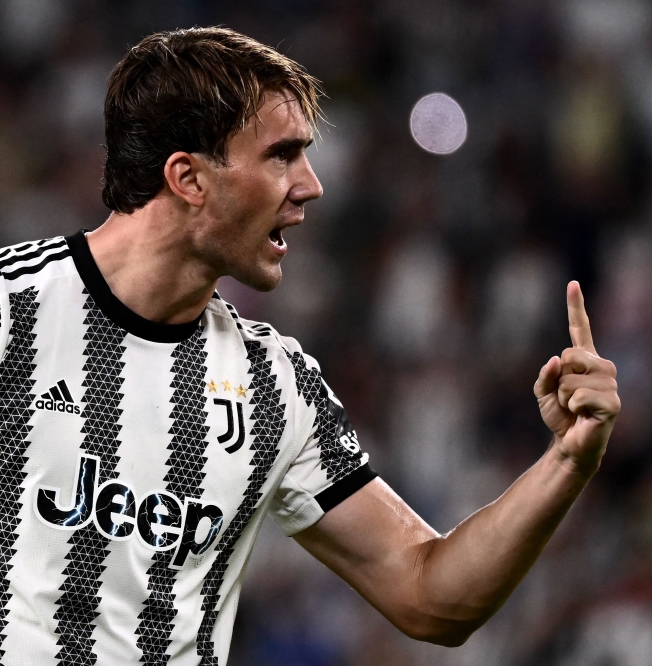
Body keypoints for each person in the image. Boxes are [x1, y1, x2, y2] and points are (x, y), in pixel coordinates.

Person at [0, 26, 620, 665]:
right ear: (188, 177)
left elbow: (430, 595)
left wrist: (566, 462)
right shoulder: (10, 313)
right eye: (281, 155)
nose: (311, 185)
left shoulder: (274, 385)